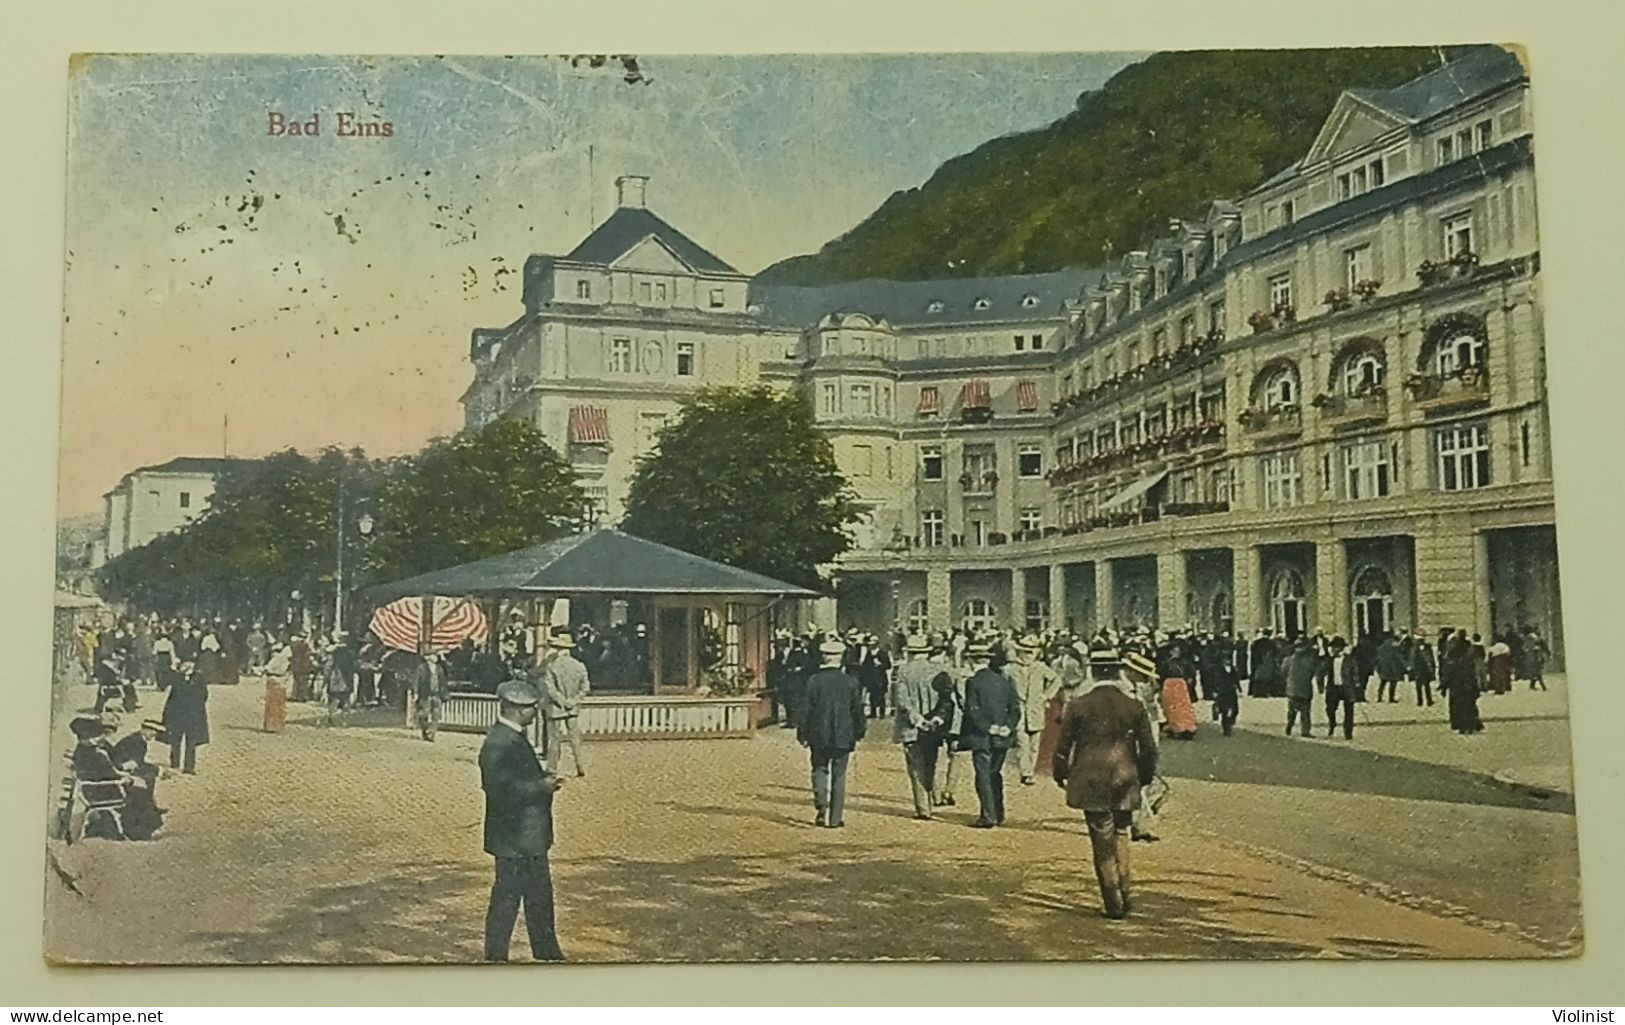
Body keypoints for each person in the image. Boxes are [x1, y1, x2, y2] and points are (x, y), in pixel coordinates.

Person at [1051, 651, 1159, 919]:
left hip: (1092, 781)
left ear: (1093, 671)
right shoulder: (1133, 705)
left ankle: (1113, 903)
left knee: (1102, 840)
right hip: (1125, 778)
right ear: (1117, 671)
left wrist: (1060, 773)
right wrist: (1144, 776)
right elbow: (1148, 748)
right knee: (1122, 835)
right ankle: (1126, 891)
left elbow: (1063, 746)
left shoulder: (1079, 704)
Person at [479, 679, 566, 963]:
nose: (534, 711)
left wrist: (542, 780)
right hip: (513, 838)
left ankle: (547, 952)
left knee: (539, 898)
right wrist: (542, 788)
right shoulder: (498, 743)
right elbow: (501, 790)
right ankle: (495, 957)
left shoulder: (511, 737)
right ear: (516, 710)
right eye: (530, 708)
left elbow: (516, 780)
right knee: (507, 900)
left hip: (527, 836)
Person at [797, 638, 866, 828]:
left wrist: (802, 733)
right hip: (844, 735)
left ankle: (821, 806)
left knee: (819, 769)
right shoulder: (851, 682)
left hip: (818, 734)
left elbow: (806, 710)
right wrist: (860, 731)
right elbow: (857, 710)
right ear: (841, 658)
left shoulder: (814, 681)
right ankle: (835, 818)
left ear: (824, 657)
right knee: (839, 775)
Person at [960, 643, 1021, 828]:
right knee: (996, 773)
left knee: (983, 776)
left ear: (972, 660)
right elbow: (1015, 710)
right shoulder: (1006, 681)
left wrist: (988, 728)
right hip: (1003, 736)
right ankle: (999, 812)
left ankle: (988, 815)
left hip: (981, 737)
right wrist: (1007, 727)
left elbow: (972, 711)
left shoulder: (973, 682)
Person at [891, 633, 948, 819]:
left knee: (915, 766)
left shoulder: (903, 671)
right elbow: (945, 699)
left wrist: (917, 718)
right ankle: (933, 794)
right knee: (930, 762)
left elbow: (902, 700)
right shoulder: (938, 670)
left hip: (911, 727)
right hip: (934, 725)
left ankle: (923, 807)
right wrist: (934, 719)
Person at [1005, 634, 1060, 785]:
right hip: (1018, 709)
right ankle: (1026, 772)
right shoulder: (1010, 669)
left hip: (1036, 709)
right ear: (1019, 652)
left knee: (1035, 744)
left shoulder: (1040, 668)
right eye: (1025, 652)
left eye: (1031, 652)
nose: (1028, 655)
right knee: (1022, 742)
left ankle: (1030, 769)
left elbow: (1056, 680)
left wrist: (1046, 695)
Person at [538, 632, 590, 777]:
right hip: (572, 707)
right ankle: (580, 766)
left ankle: (552, 769)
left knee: (554, 740)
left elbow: (550, 689)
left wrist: (562, 701)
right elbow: (585, 687)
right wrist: (573, 701)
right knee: (575, 738)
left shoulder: (552, 666)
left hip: (556, 708)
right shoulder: (579, 666)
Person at [928, 636, 967, 807]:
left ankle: (936, 795)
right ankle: (950, 790)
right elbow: (962, 697)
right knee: (955, 756)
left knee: (934, 758)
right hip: (955, 721)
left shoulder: (927, 672)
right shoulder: (955, 672)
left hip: (935, 719)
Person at [161, 660, 209, 774]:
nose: (184, 666)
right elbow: (168, 687)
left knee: (191, 742)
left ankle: (189, 767)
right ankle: (175, 762)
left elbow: (204, 695)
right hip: (177, 713)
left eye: (186, 664)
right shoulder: (177, 677)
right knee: (175, 740)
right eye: (183, 664)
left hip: (193, 715)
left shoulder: (199, 678)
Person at [1440, 632, 1484, 735]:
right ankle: (1472, 724)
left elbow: (1449, 671)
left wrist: (1443, 686)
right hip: (1469, 682)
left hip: (1457, 684)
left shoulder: (1452, 654)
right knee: (1470, 705)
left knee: (1459, 706)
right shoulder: (1470, 651)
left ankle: (1462, 725)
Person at [1322, 637, 1362, 740]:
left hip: (1346, 687)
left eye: (1335, 647)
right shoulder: (1329, 660)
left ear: (1341, 648)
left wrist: (1356, 683)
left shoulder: (1349, 660)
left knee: (1349, 711)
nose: (1333, 649)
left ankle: (1348, 732)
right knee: (1330, 708)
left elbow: (1355, 672)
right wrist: (1320, 685)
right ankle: (1332, 722)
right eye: (1332, 647)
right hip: (1333, 688)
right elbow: (1321, 672)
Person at [1283, 637, 1318, 738]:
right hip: (1305, 688)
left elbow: (1283, 672)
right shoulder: (1310, 660)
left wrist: (1289, 681)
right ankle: (1305, 730)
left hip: (1292, 689)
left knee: (1292, 710)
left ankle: (1290, 724)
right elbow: (1312, 672)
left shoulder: (1288, 660)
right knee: (1305, 712)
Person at [413, 652, 448, 742]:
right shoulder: (421, 668)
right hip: (425, 694)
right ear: (427, 657)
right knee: (424, 714)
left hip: (437, 694)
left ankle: (431, 733)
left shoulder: (439, 668)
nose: (436, 657)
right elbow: (416, 681)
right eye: (434, 655)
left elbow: (445, 678)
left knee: (436, 715)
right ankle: (425, 731)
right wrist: (416, 693)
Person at [1374, 632, 1407, 703]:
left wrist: (1377, 666)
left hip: (1383, 666)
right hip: (1392, 667)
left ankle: (1379, 697)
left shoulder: (1381, 646)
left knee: (1383, 682)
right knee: (1393, 682)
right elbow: (1398, 656)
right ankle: (1391, 698)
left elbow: (1377, 657)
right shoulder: (1394, 646)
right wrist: (1405, 665)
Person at [1409, 628, 1437, 707]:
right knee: (1426, 685)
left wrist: (1411, 667)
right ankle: (1429, 700)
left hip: (1418, 668)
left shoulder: (1414, 647)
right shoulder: (1427, 647)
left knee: (1419, 686)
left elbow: (1412, 657)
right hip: (1425, 668)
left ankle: (1420, 701)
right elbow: (1431, 658)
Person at [1521, 626, 1550, 691]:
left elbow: (1525, 648)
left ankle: (1535, 685)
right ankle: (1541, 686)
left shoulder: (1531, 639)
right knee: (1537, 672)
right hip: (1536, 657)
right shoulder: (1535, 639)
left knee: (1536, 672)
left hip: (1534, 657)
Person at [290, 633, 314, 702]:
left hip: (296, 664)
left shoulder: (295, 645)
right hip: (303, 665)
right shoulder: (304, 645)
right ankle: (304, 697)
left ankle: (295, 696)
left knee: (296, 681)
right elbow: (307, 654)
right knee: (303, 681)